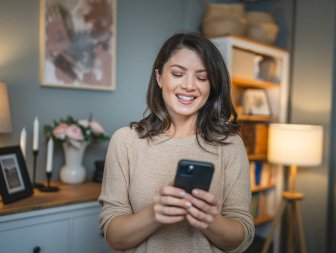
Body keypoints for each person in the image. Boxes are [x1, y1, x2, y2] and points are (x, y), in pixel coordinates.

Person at [99, 32, 254, 253]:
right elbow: (114, 238)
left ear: (211, 86)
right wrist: (155, 213)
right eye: (178, 74)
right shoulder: (125, 141)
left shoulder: (230, 145)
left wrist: (210, 220)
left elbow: (242, 238)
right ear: (160, 77)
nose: (189, 85)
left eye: (202, 77)